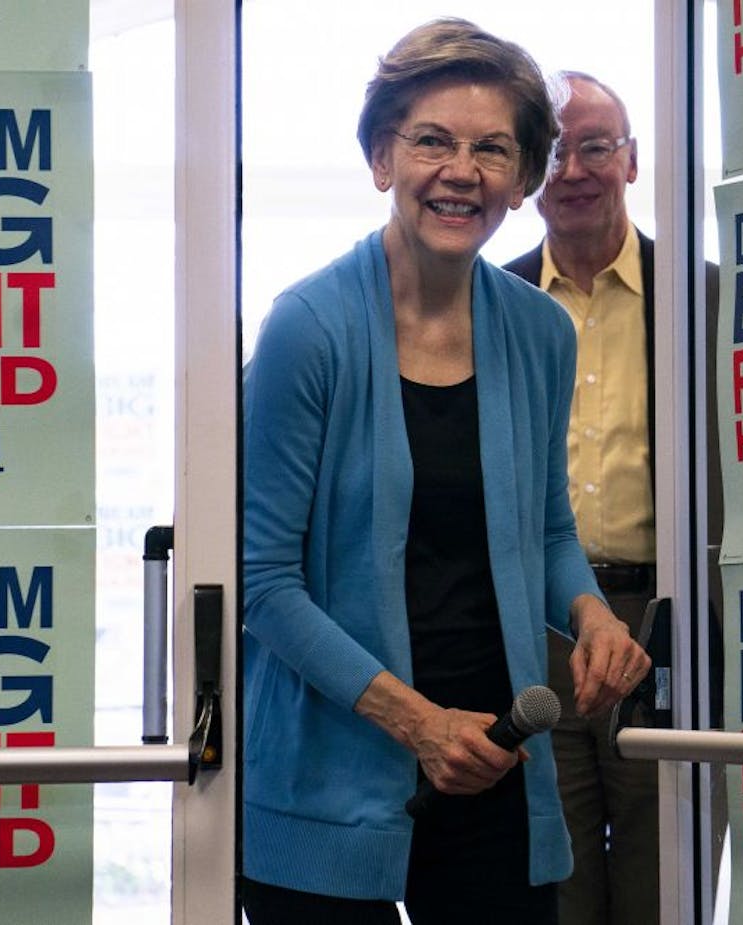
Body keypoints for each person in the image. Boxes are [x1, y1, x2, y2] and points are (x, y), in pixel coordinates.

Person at [240, 20, 651, 925]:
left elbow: (544, 528)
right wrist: (419, 723)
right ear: (382, 157)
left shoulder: (540, 331)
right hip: (333, 764)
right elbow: (262, 584)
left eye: (492, 148)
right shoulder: (306, 328)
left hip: (497, 753)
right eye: (432, 140)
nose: (461, 170)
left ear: (523, 178)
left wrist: (587, 612)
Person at [503, 72, 661, 925]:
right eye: (553, 150)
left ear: (631, 161)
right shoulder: (490, 302)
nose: (571, 170)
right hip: (537, 633)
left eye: (593, 146)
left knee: (658, 871)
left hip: (661, 628)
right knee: (553, 881)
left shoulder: (701, 297)